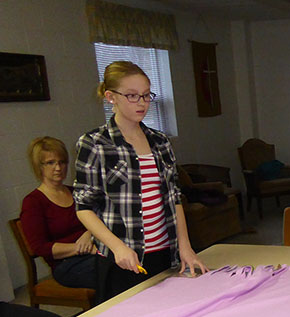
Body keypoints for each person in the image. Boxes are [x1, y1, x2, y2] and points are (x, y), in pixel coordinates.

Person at [74, 61, 208, 302]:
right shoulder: (94, 143)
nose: (142, 103)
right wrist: (117, 247)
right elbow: (84, 209)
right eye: (132, 96)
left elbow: (174, 198)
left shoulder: (160, 142)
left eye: (146, 96)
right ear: (110, 97)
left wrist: (185, 247)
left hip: (164, 252)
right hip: (122, 257)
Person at [20, 137, 97, 289]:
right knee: (110, 269)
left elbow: (98, 218)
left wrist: (89, 233)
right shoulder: (33, 202)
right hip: (66, 265)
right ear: (39, 166)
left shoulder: (75, 192)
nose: (58, 168)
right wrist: (81, 248)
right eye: (50, 163)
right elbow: (40, 247)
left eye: (62, 162)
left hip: (93, 252)